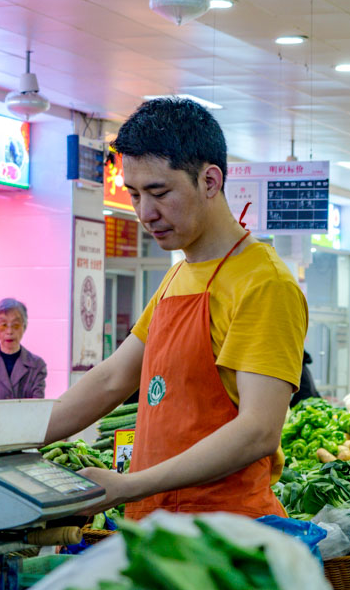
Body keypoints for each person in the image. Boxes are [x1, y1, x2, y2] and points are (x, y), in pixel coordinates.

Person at [43, 97, 308, 520]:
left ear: (210, 181)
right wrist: (6, 440)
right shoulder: (178, 275)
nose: (146, 213)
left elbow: (259, 430)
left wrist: (130, 485)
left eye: (159, 192)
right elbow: (113, 378)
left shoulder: (265, 282)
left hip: (225, 536)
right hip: (157, 526)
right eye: (133, 194)